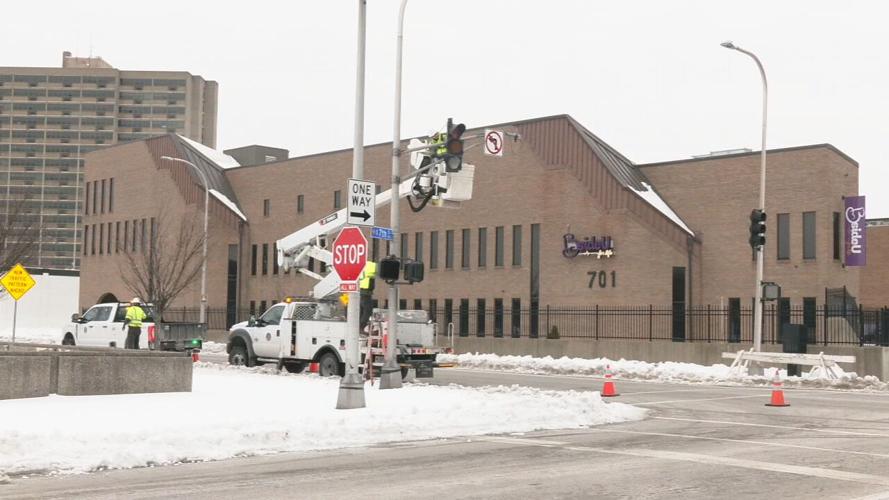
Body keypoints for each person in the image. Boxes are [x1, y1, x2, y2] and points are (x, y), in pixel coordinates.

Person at [358, 260, 377, 330]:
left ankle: (360, 326)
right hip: (366, 293)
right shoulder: (370, 266)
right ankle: (361, 327)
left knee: (362, 311)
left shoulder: (360, 268)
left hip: (361, 293)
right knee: (368, 311)